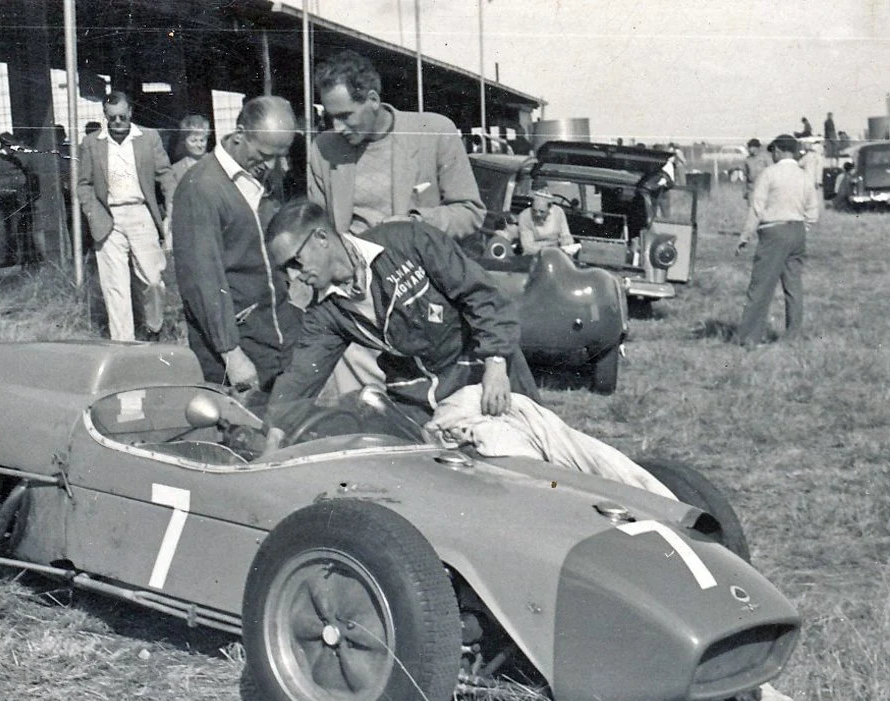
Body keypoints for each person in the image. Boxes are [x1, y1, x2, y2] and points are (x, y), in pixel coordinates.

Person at [262, 200, 670, 494]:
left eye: (295, 263)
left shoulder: (407, 241)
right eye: (285, 271)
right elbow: (301, 376)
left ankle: (660, 504)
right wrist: (275, 435)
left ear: (321, 238)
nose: (294, 278)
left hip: (486, 374)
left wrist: (496, 364)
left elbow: (483, 297)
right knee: (506, 480)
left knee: (558, 452)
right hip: (432, 406)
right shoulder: (327, 311)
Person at [305, 49, 486, 392]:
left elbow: (470, 211)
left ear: (372, 100)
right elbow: (320, 232)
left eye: (345, 116)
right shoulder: (323, 149)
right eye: (330, 117)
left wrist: (415, 222)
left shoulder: (434, 132)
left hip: (424, 300)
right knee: (360, 411)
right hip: (358, 307)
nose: (336, 127)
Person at [170, 97, 300, 393]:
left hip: (277, 335)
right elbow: (202, 280)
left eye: (282, 155)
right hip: (237, 349)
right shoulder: (201, 188)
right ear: (240, 135)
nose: (274, 165)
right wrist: (231, 354)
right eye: (266, 154)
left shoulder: (262, 174)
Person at [75, 90, 176, 341]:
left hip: (141, 214)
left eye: (122, 116)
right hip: (108, 218)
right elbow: (83, 184)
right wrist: (92, 212)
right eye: (112, 118)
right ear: (104, 116)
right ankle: (124, 344)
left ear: (130, 112)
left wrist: (171, 207)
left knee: (153, 279)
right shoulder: (91, 143)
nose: (118, 122)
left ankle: (154, 327)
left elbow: (165, 173)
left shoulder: (149, 138)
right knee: (115, 286)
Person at [733, 134, 819, 347]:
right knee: (793, 287)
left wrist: (745, 235)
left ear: (779, 151)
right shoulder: (804, 176)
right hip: (798, 232)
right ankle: (793, 336)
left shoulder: (769, 174)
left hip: (773, 232)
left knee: (761, 286)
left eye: (773, 151)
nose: (772, 155)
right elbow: (813, 210)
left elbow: (757, 208)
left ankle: (749, 337)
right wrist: (802, 228)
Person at [517, 185, 573, 256]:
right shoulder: (525, 216)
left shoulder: (558, 212)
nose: (538, 214)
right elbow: (528, 247)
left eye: (542, 211)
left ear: (550, 208)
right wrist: (554, 247)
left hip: (557, 255)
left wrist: (567, 245)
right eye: (534, 210)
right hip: (533, 256)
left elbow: (566, 236)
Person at [170, 114, 211, 185]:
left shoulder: (215, 162)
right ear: (184, 141)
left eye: (202, 140)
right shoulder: (175, 170)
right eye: (193, 141)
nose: (199, 145)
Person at [742, 138, 771, 204]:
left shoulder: (765, 157)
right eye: (748, 147)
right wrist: (745, 191)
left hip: (764, 189)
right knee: (752, 210)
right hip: (751, 189)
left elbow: (772, 172)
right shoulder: (747, 160)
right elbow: (745, 176)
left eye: (750, 147)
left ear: (756, 147)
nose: (748, 149)